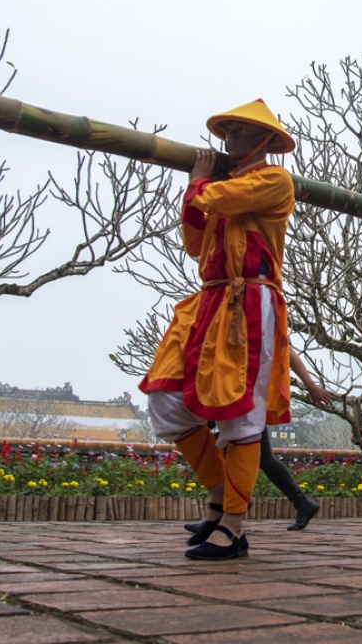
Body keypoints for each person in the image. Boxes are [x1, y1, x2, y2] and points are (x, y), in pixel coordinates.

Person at [139, 99, 295, 560]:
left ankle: (234, 523)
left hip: (251, 300)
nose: (231, 137)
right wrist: (197, 190)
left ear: (267, 141)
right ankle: (216, 496)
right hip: (208, 298)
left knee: (239, 413)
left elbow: (214, 199)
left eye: (243, 131)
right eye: (227, 130)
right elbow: (195, 244)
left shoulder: (273, 180)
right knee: (166, 397)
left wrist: (198, 183)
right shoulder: (222, 185)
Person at [182, 349, 330, 537]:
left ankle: (228, 508)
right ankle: (299, 502)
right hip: (230, 387)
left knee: (203, 431)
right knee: (261, 457)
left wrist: (310, 384)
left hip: (245, 391)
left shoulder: (262, 319)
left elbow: (285, 347)